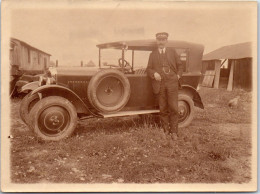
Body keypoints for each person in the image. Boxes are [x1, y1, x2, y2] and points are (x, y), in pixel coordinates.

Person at [146, 32, 183, 143]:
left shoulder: (172, 52)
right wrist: (154, 74)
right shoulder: (152, 54)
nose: (161, 42)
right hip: (160, 83)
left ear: (167, 41)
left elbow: (180, 65)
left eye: (163, 39)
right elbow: (148, 69)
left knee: (174, 108)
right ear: (156, 41)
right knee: (163, 109)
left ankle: (174, 132)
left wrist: (178, 76)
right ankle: (165, 131)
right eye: (159, 39)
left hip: (172, 82)